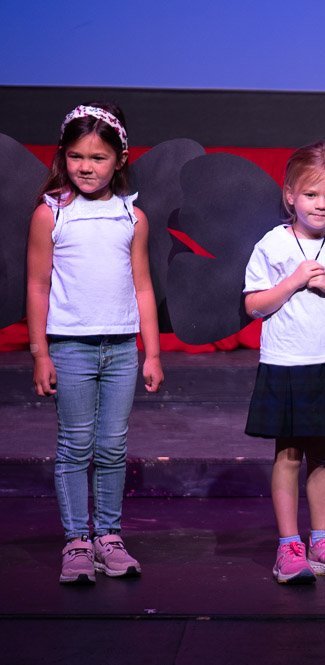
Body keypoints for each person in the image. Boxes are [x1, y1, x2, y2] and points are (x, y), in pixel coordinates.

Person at [26, 103, 164, 584]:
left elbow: (142, 286)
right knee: (74, 446)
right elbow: (38, 285)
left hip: (122, 348)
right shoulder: (52, 214)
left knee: (111, 446)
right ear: (63, 157)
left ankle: (108, 536)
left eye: (99, 157)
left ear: (120, 160)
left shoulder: (132, 216)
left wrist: (153, 352)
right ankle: (77, 542)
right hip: (71, 347)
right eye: (77, 156)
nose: (86, 167)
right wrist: (41, 352)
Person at [244, 142, 325, 584]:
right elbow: (254, 304)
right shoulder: (273, 244)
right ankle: (288, 547)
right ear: (290, 195)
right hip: (286, 362)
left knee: (324, 454)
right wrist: (294, 280)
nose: (322, 204)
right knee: (289, 453)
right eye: (312, 194)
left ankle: (323, 541)